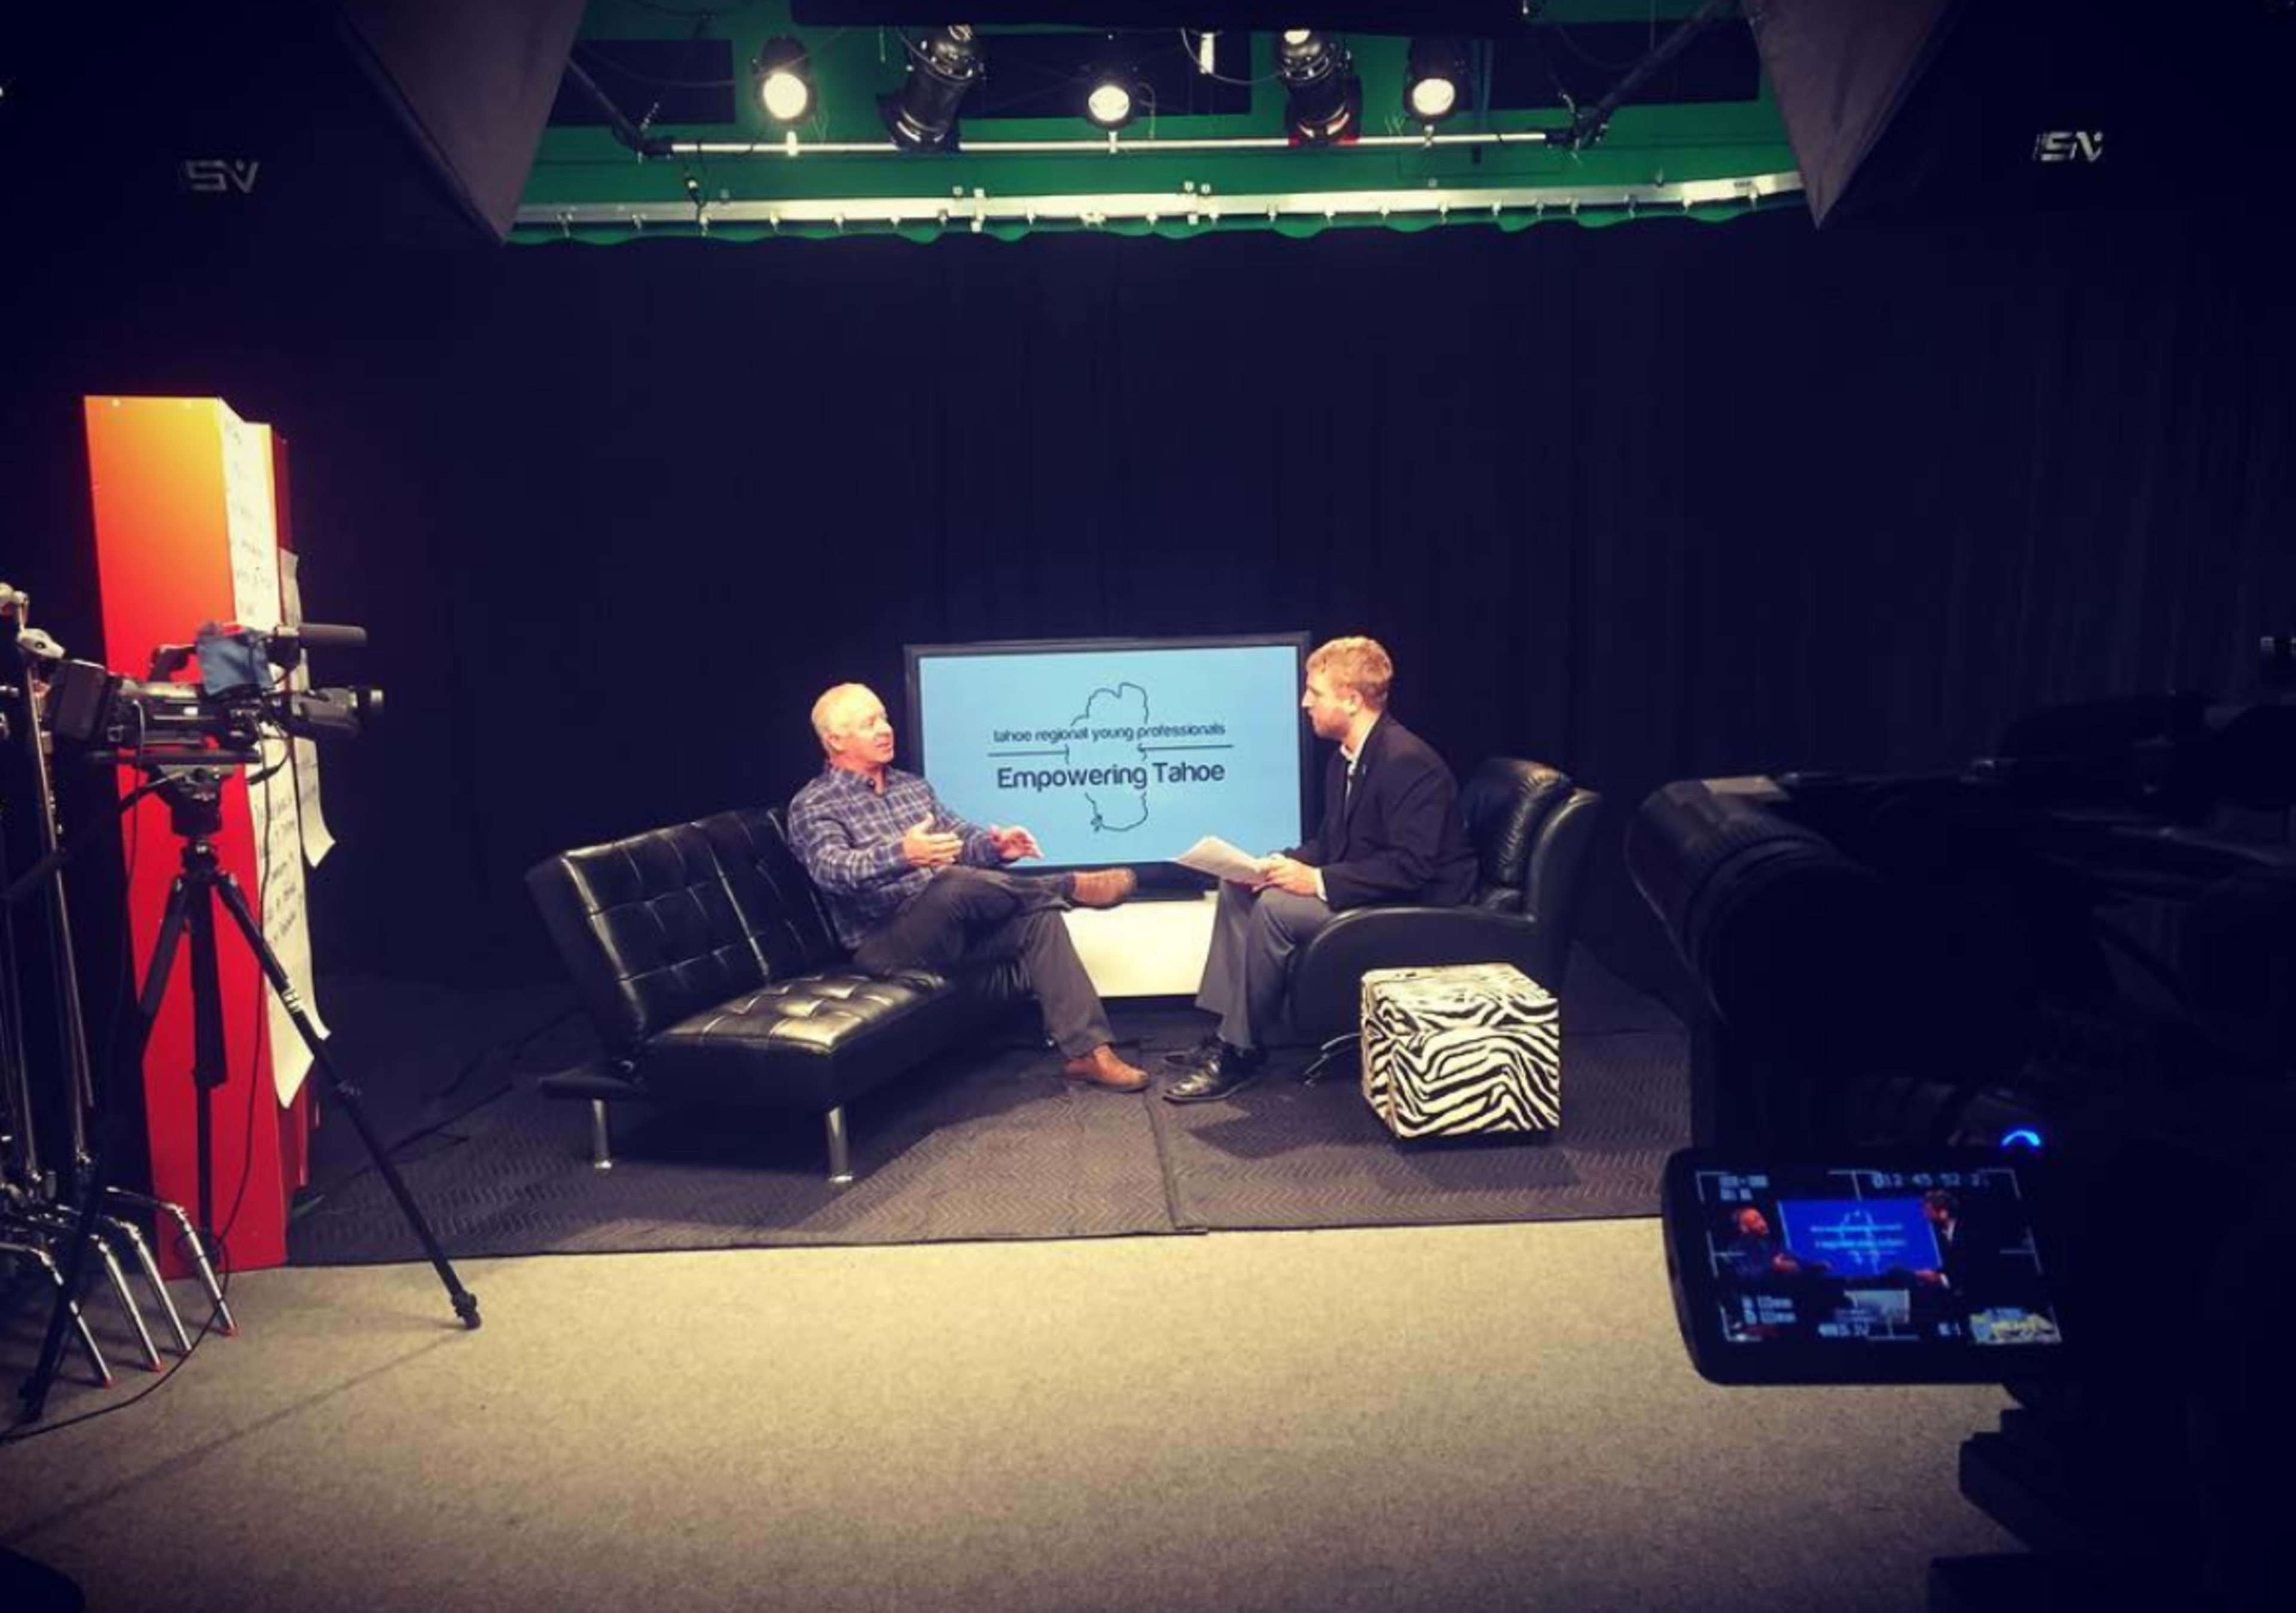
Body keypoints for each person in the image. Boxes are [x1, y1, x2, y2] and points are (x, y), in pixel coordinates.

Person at [786, 682, 1148, 1091]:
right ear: (835, 739)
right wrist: (903, 854)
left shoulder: (912, 787)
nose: (885, 729)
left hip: (950, 929)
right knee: (951, 882)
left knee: (1038, 916)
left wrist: (996, 846)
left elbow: (961, 838)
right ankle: (1066, 886)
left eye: (884, 718)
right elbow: (831, 870)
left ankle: (1090, 1054)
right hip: (883, 943)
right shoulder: (814, 803)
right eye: (869, 723)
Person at [1164, 636, 1477, 1103]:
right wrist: (1274, 863)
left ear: (1351, 700)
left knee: (1276, 908)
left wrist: (1316, 881)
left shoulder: (1408, 762)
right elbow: (1333, 845)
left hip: (1417, 907)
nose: (1304, 702)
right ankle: (1229, 1030)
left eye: (1315, 692)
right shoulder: (1347, 759)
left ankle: (1240, 1053)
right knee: (1241, 889)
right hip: (1377, 889)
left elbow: (1412, 866)